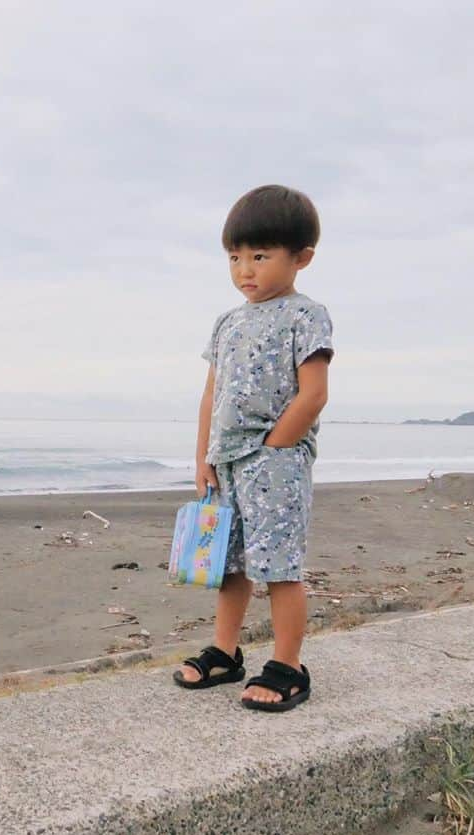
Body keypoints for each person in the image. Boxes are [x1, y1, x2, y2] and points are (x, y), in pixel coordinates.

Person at [173, 184, 334, 711]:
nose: (246, 270)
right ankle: (225, 650)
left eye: (260, 256)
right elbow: (210, 394)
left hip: (275, 462)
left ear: (301, 258)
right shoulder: (227, 322)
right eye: (235, 257)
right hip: (226, 462)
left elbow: (313, 394)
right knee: (230, 562)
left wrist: (274, 448)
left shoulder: (305, 315)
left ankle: (289, 664)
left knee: (280, 565)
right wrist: (203, 458)